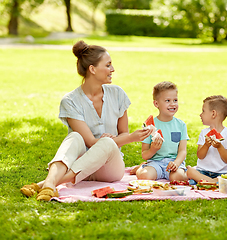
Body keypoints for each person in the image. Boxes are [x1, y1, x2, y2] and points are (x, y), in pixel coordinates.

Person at [20, 40, 151, 201]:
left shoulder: (117, 94)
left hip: (109, 169)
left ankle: (47, 184)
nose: (113, 69)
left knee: (108, 144)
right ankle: (49, 185)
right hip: (80, 164)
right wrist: (124, 138)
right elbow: (89, 142)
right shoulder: (70, 101)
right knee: (75, 137)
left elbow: (123, 134)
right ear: (92, 69)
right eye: (108, 65)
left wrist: (128, 138)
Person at [136, 81, 189, 181]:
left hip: (174, 162)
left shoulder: (181, 125)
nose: (172, 104)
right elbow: (144, 154)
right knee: (145, 177)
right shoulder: (150, 126)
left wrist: (176, 163)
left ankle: (185, 171)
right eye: (167, 100)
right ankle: (140, 168)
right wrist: (153, 149)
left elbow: (182, 151)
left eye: (175, 100)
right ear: (156, 103)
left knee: (178, 178)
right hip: (155, 163)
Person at [186, 95, 227, 184]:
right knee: (190, 171)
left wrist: (220, 147)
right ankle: (213, 182)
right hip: (203, 171)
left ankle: (206, 182)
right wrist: (206, 145)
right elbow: (200, 156)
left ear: (213, 114)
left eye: (203, 111)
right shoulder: (203, 133)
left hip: (221, 173)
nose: (200, 114)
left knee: (192, 182)